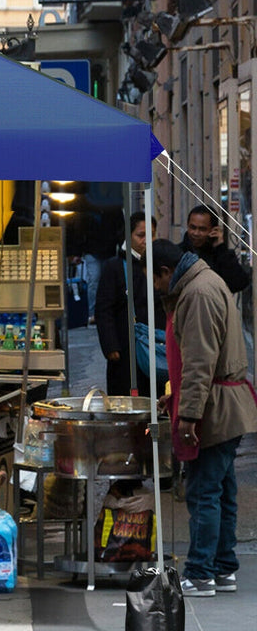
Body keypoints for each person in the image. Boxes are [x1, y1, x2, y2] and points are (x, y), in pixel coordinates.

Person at [151, 239, 257, 597]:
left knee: (204, 492)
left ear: (166, 272)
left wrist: (189, 415)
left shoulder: (196, 294)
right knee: (222, 489)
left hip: (216, 409)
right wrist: (175, 397)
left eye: (155, 279)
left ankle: (200, 572)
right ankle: (223, 566)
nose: (155, 288)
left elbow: (199, 362)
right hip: (227, 402)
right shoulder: (205, 283)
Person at [95, 212, 166, 396]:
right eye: (141, 235)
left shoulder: (159, 264)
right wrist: (110, 345)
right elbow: (104, 309)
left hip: (156, 345)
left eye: (151, 235)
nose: (146, 241)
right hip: (125, 348)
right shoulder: (115, 267)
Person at [180, 204, 250, 294]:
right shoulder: (179, 253)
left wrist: (220, 247)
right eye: (192, 227)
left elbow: (238, 284)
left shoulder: (220, 255)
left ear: (213, 230)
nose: (196, 233)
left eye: (202, 229)